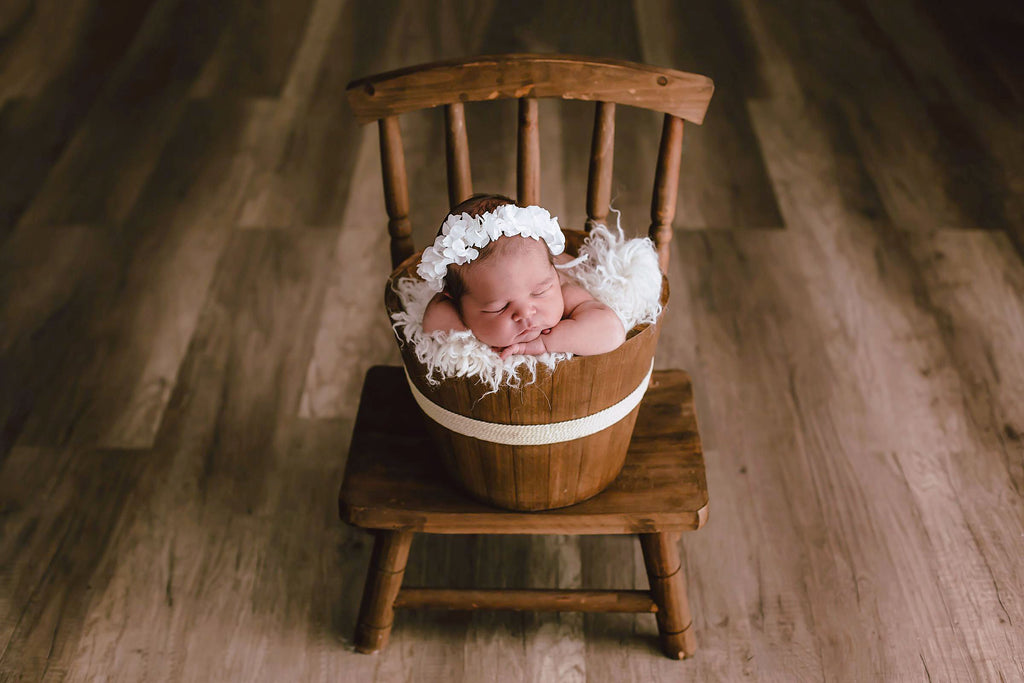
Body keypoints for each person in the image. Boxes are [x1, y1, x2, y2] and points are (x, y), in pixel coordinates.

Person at [419, 194, 625, 359]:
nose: (526, 313)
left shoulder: (563, 290)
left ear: (553, 276)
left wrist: (546, 343)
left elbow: (612, 332)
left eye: (540, 292)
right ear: (455, 300)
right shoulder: (453, 303)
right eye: (499, 307)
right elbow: (434, 323)